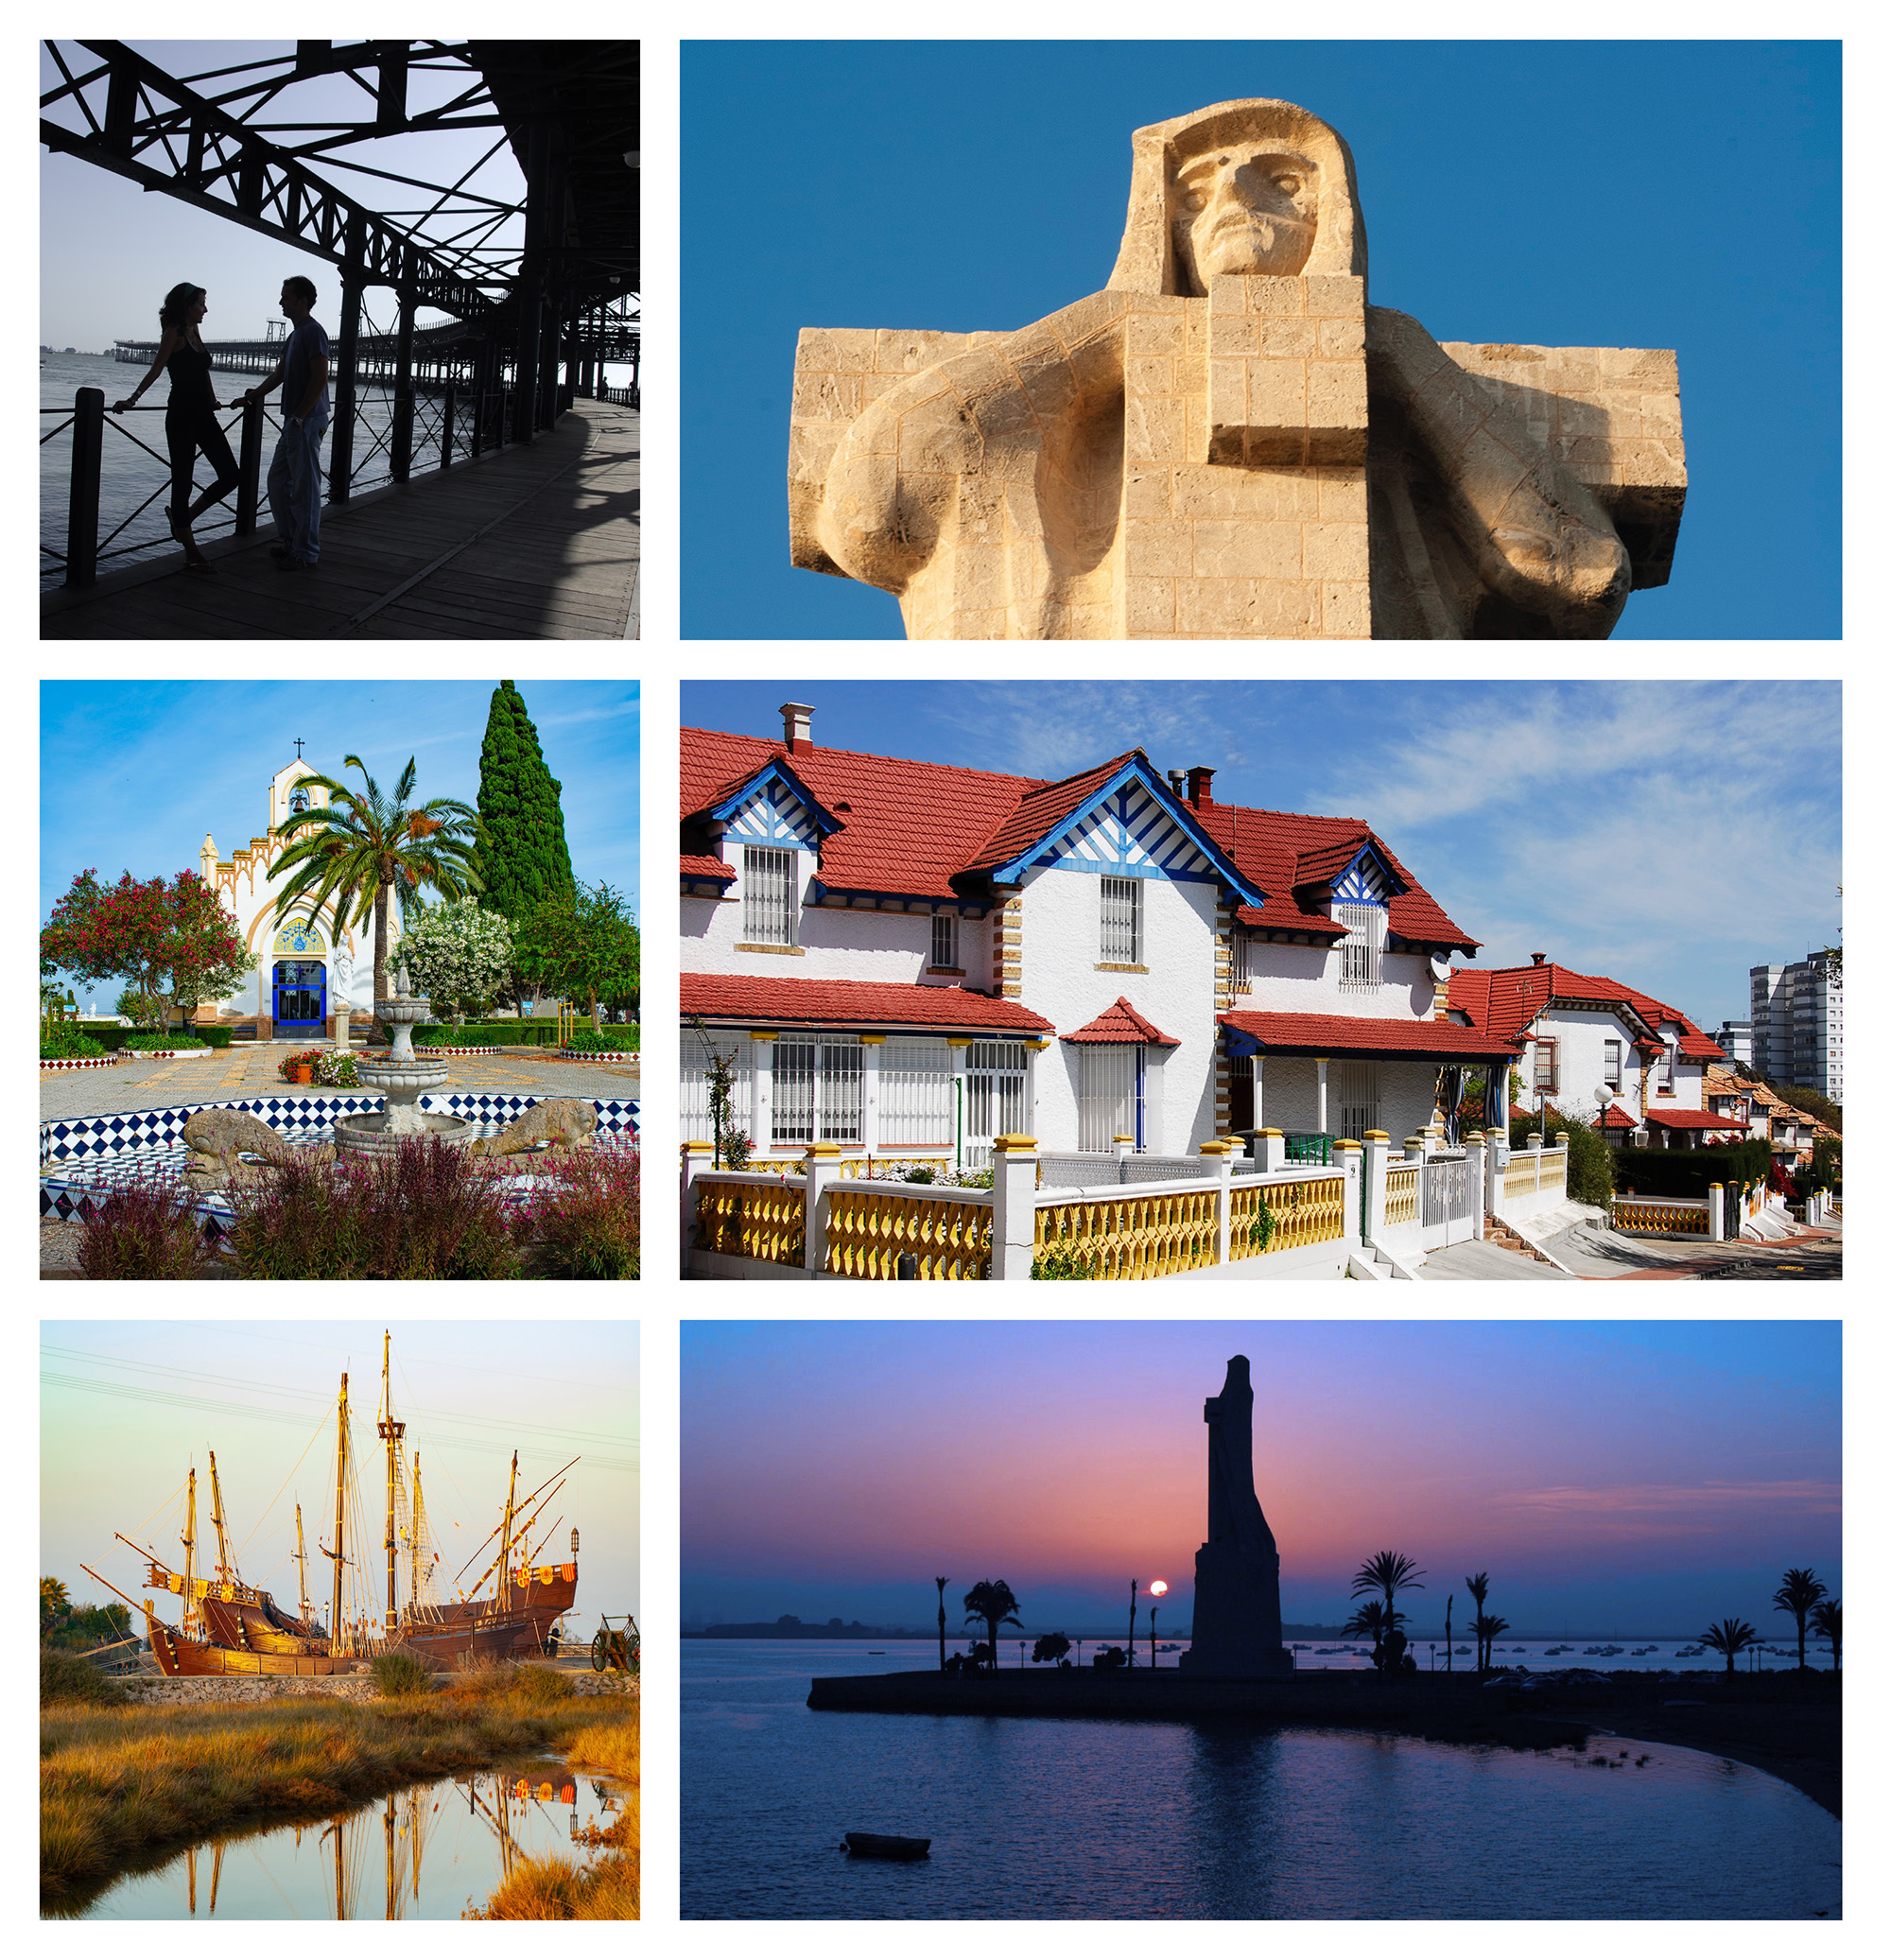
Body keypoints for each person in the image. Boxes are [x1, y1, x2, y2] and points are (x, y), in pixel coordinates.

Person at [114, 282, 240, 576]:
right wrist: (133, 398)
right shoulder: (175, 331)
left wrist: (212, 399)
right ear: (187, 306)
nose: (205, 309)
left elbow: (202, 370)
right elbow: (157, 368)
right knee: (182, 482)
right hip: (181, 415)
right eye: (201, 304)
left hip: (204, 415)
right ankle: (191, 552)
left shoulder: (195, 330)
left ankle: (183, 519)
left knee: (232, 475)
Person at [238, 276, 331, 570]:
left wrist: (301, 416)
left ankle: (306, 552)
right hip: (295, 420)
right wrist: (253, 395)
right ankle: (291, 542)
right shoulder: (294, 335)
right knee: (277, 482)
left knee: (305, 488)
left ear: (302, 301)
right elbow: (280, 374)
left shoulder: (314, 332)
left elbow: (320, 378)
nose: (281, 302)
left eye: (286, 297)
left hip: (306, 420)